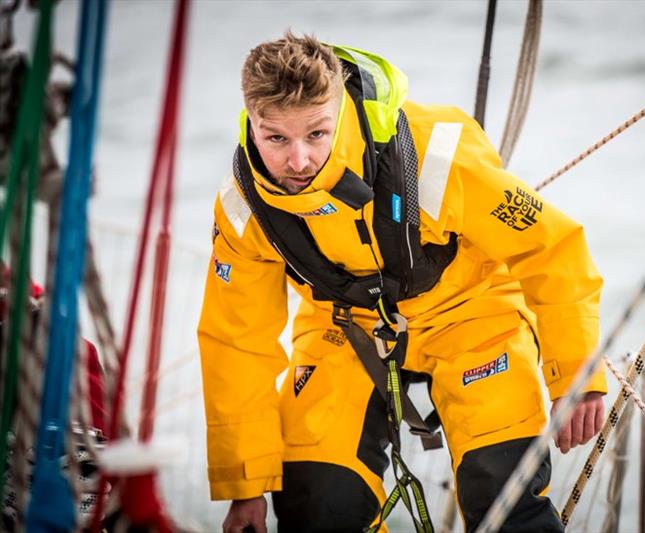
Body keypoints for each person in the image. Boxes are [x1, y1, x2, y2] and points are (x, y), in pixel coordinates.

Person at [197, 32, 606, 533]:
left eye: (317, 135)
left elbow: (549, 245)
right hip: (345, 331)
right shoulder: (245, 208)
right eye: (276, 138)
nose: (298, 161)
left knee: (503, 493)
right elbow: (236, 341)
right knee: (317, 506)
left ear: (341, 111)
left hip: (471, 316)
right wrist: (245, 488)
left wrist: (577, 376)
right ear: (250, 122)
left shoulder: (433, 148)